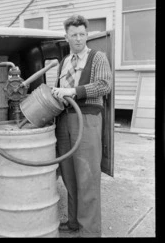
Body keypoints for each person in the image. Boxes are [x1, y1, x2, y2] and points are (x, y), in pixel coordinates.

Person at [51, 14, 112, 237]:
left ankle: (90, 232)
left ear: (87, 35)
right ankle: (74, 222)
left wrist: (74, 91)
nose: (78, 39)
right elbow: (59, 91)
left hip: (87, 119)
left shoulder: (97, 57)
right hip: (64, 120)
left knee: (87, 176)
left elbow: (105, 85)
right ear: (66, 37)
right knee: (69, 174)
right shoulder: (64, 62)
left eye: (82, 34)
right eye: (74, 35)